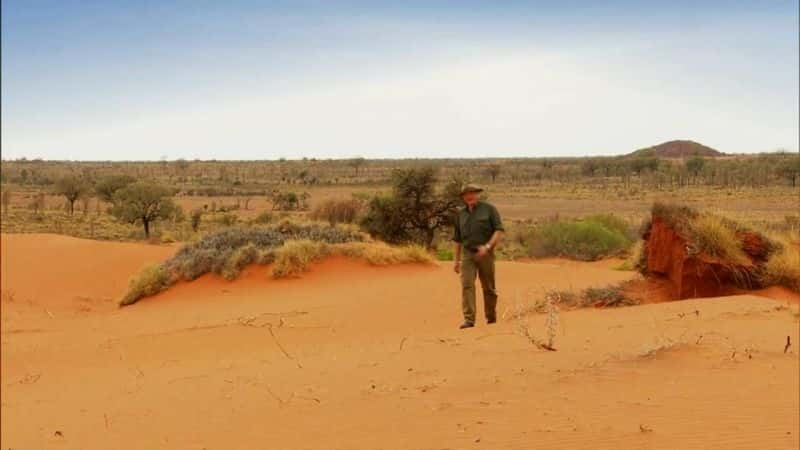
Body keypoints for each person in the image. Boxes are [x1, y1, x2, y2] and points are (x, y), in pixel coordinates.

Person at [452, 184, 504, 329]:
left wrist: (487, 247)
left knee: (488, 287)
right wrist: (456, 260)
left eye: (473, 193)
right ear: (463, 197)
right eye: (467, 194)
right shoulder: (460, 214)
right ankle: (469, 320)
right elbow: (457, 239)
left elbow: (499, 231)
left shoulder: (489, 210)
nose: (470, 196)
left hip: (485, 253)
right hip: (468, 253)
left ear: (478, 194)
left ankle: (491, 317)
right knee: (467, 285)